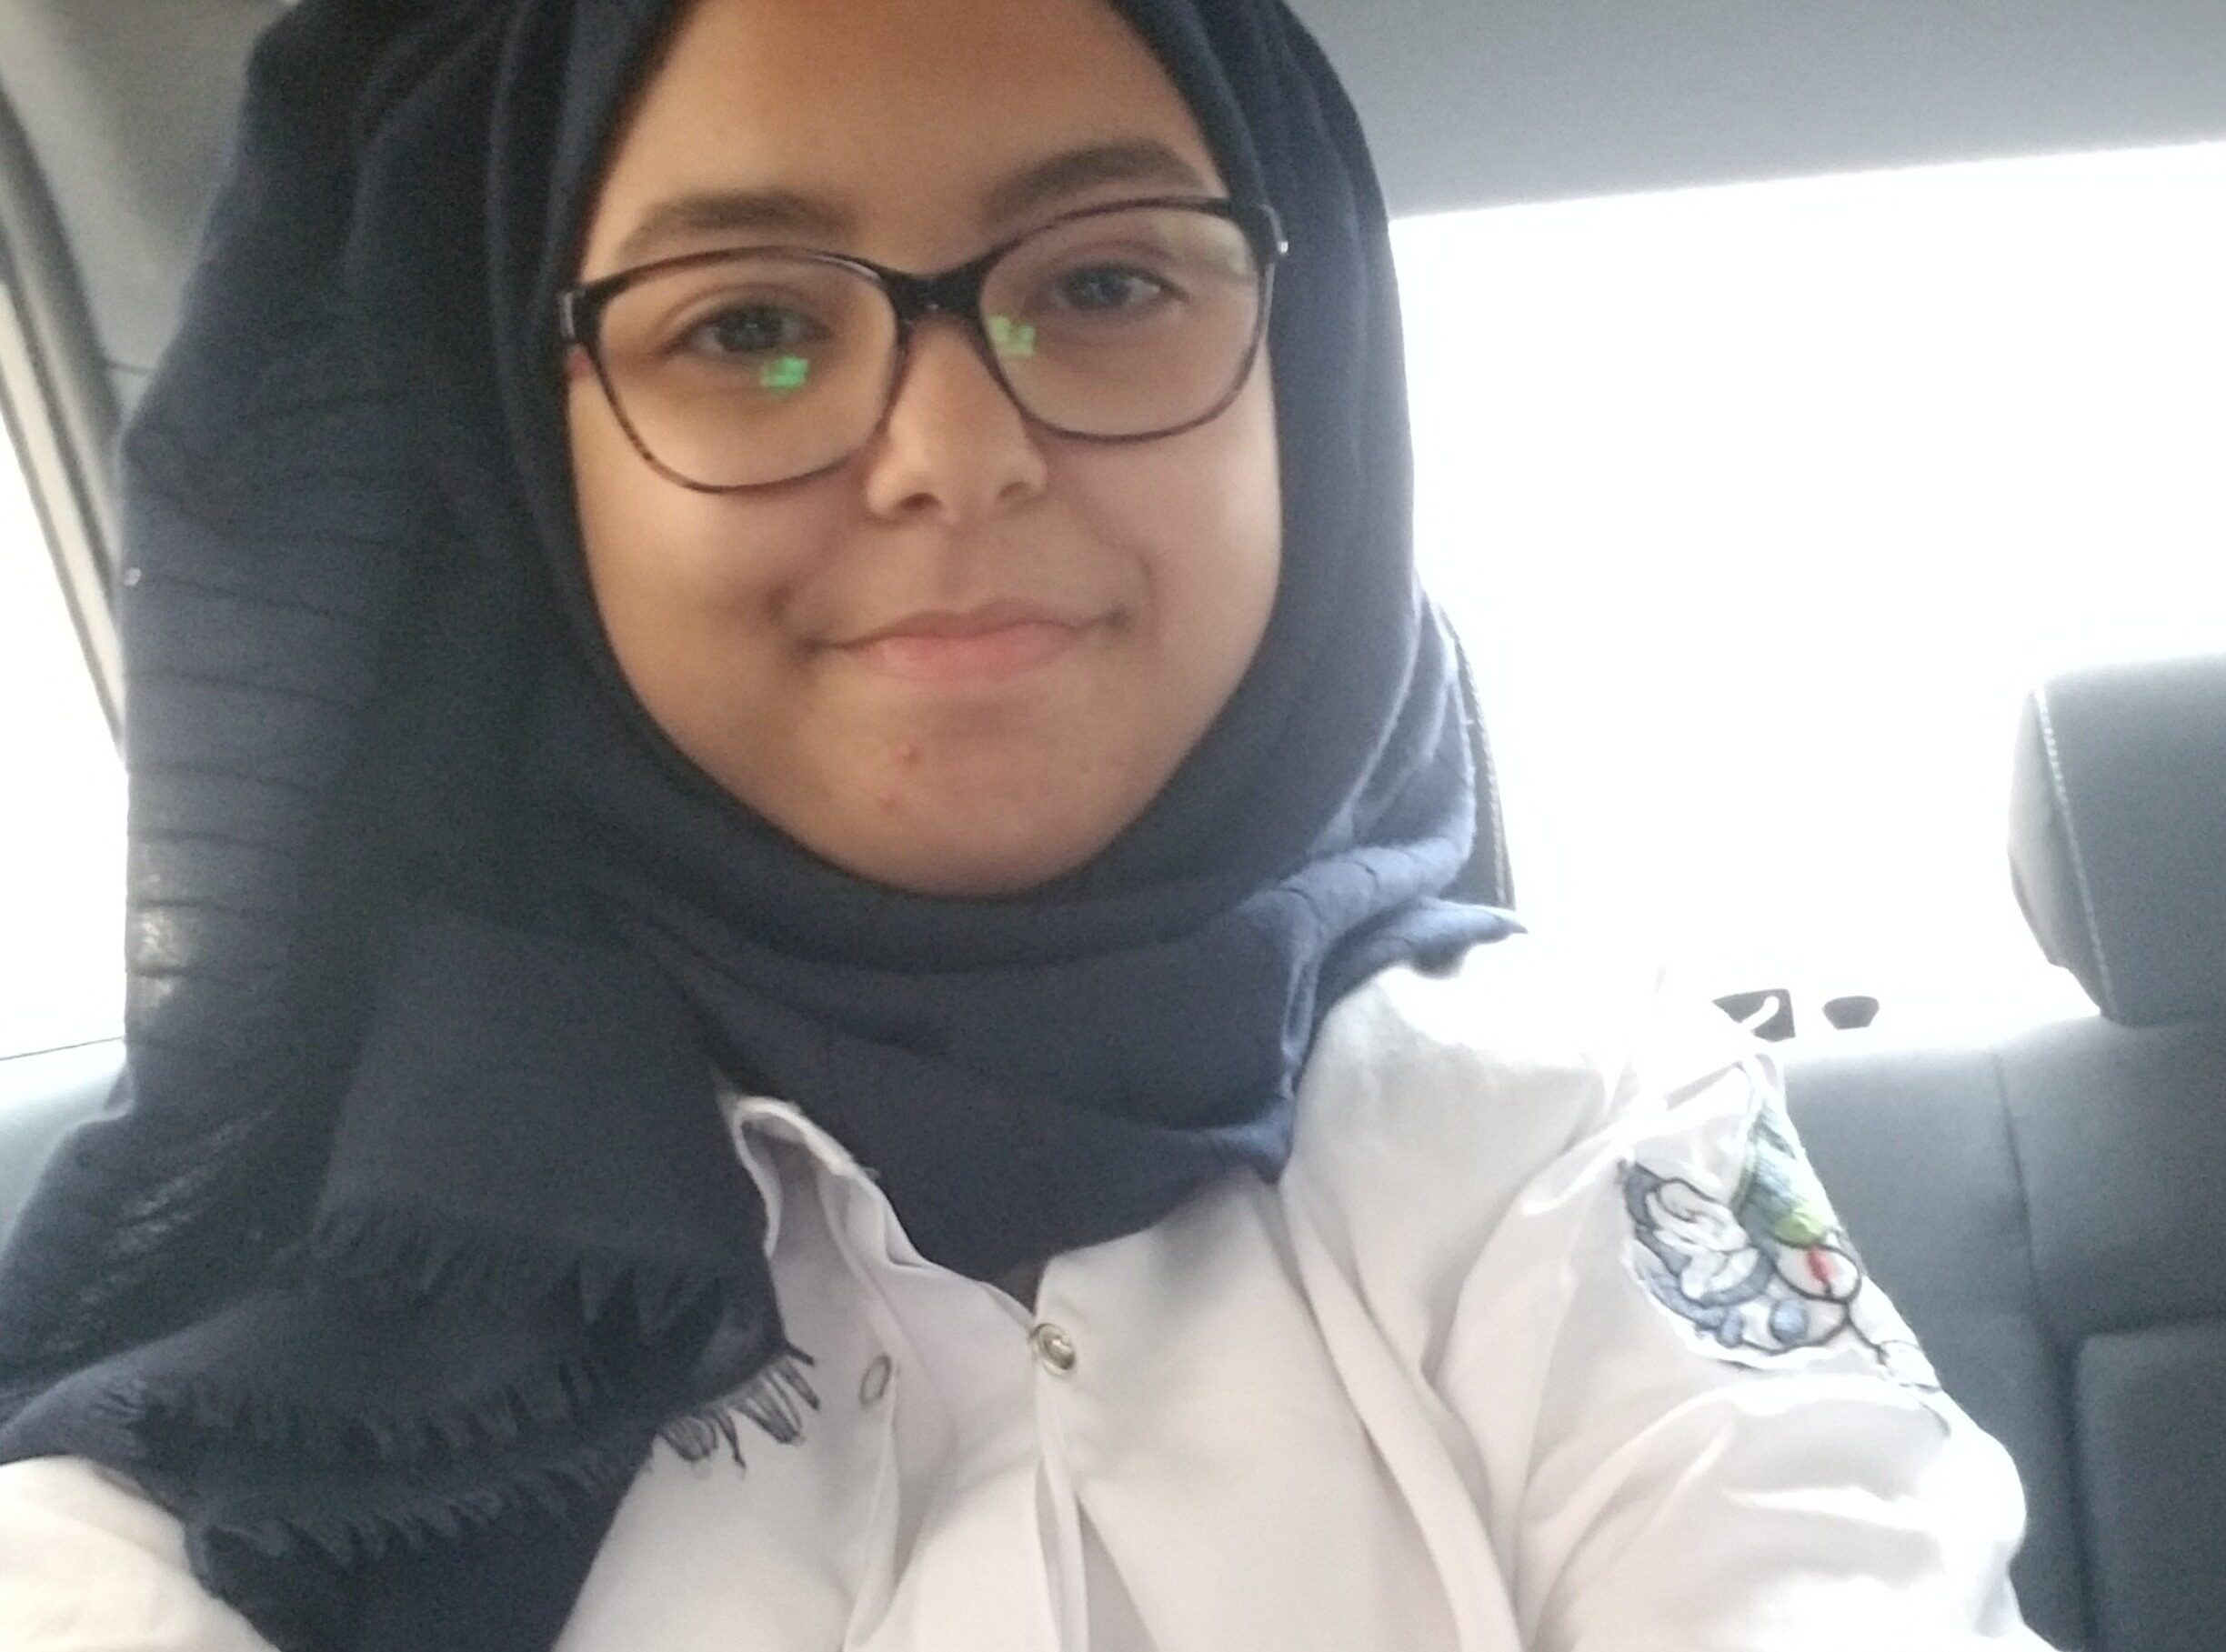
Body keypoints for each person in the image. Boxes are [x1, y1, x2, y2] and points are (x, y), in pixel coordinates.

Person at [0, 0, 2046, 1647]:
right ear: (537, 465)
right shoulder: (274, 1332)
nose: (956, 450)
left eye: (1110, 280)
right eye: (746, 326)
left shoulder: (1562, 1117)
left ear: (1309, 382)